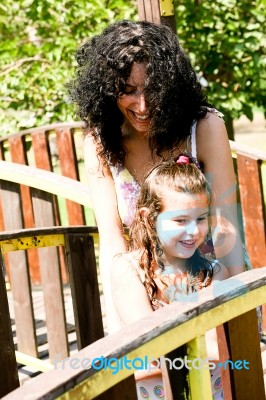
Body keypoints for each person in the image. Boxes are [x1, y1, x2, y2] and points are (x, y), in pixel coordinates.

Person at [67, 19, 245, 333]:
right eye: (128, 91)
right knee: (152, 372)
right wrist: (120, 326)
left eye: (151, 90)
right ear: (109, 91)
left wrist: (235, 314)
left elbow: (224, 226)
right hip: (143, 294)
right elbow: (112, 243)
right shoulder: (99, 143)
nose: (143, 105)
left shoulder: (203, 128)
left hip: (210, 280)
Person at [111, 156, 229, 400]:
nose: (194, 231)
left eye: (200, 218)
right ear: (148, 218)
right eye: (180, 220)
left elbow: (216, 347)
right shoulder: (129, 270)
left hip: (209, 391)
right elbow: (148, 346)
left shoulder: (214, 272)